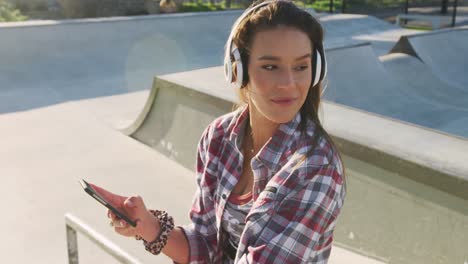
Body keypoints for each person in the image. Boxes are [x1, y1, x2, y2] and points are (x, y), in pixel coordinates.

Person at [92, 0, 347, 263]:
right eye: (271, 67)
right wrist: (148, 227)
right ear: (237, 70)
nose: (289, 84)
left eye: (301, 67)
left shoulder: (316, 167)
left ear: (316, 70)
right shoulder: (218, 137)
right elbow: (206, 245)